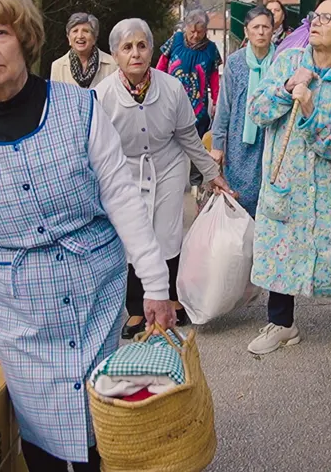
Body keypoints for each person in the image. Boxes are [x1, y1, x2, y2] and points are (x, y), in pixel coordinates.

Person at [0, 0, 176, 472]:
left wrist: (154, 283)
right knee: (41, 438)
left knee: (106, 425)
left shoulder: (79, 108)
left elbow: (121, 196)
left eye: (0, 33)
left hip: (96, 296)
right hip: (20, 313)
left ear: (24, 39)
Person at [245, 0, 331, 355]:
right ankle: (282, 324)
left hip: (330, 196)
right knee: (279, 253)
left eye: (328, 18)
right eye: (316, 15)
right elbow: (257, 110)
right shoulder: (287, 62)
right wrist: (287, 88)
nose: (316, 22)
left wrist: (312, 111)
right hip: (286, 186)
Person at [95, 18, 231, 339]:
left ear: (152, 50)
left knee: (167, 235)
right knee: (133, 236)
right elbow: (96, 148)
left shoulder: (171, 88)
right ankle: (136, 307)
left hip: (168, 165)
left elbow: (188, 137)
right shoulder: (102, 95)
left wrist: (212, 174)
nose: (135, 53)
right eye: (127, 47)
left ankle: (171, 298)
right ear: (115, 54)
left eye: (142, 46)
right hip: (125, 170)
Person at [209, 6, 275, 217]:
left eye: (266, 27)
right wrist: (217, 145)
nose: (261, 32)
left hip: (271, 138)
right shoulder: (235, 62)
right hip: (239, 142)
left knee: (269, 197)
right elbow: (224, 106)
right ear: (246, 31)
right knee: (238, 199)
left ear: (273, 30)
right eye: (255, 27)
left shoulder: (281, 62)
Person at [156, 9, 222, 188]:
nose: (195, 35)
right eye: (192, 31)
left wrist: (216, 102)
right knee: (168, 140)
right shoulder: (176, 40)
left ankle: (195, 183)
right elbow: (161, 66)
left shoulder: (211, 49)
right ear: (186, 27)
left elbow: (214, 78)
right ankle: (167, 178)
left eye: (200, 32)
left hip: (198, 105)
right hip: (170, 102)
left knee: (197, 144)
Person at [50, 12, 117, 89]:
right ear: (68, 38)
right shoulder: (57, 66)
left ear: (94, 38)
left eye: (85, 31)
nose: (80, 36)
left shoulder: (113, 64)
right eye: (75, 31)